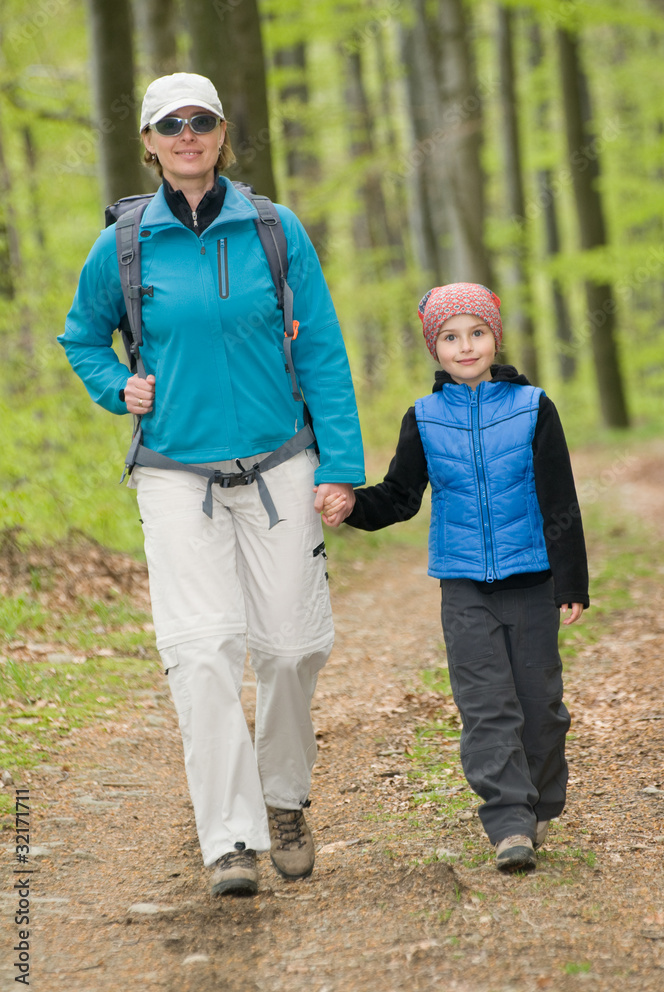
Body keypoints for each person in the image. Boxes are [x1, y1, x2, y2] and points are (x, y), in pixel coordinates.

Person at [59, 72, 364, 897]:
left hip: (279, 463)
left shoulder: (274, 228)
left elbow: (324, 353)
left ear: (223, 133)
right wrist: (114, 385)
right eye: (170, 124)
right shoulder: (124, 243)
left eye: (201, 121)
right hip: (173, 476)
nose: (187, 134)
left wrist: (342, 467)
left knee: (295, 647)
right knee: (201, 654)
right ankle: (230, 839)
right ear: (150, 142)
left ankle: (284, 797)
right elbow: (83, 337)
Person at [323, 283, 589, 872]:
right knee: (486, 706)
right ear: (434, 349)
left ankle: (540, 804)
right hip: (464, 585)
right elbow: (399, 496)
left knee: (541, 706)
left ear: (495, 337)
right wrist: (352, 507)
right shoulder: (424, 417)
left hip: (532, 580)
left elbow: (559, 498)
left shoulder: (533, 407)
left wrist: (572, 582)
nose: (465, 346)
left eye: (476, 332)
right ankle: (509, 822)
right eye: (450, 337)